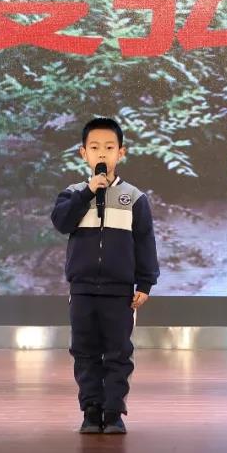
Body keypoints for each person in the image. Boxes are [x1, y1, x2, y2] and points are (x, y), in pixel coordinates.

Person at [50, 117, 160, 435]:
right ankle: (90, 409)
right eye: (95, 147)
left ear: (121, 153)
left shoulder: (134, 198)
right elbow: (61, 223)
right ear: (83, 153)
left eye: (109, 148)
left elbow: (144, 241)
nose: (102, 153)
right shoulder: (73, 193)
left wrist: (145, 282)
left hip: (119, 290)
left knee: (118, 352)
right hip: (82, 289)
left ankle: (113, 412)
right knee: (84, 351)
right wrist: (88, 192)